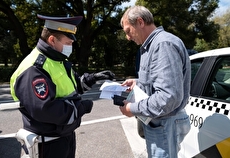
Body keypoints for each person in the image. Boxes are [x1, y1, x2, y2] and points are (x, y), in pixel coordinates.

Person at [10, 14, 114, 158]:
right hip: (47, 145)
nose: (70, 47)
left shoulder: (57, 60)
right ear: (52, 40)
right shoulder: (34, 69)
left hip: (64, 138)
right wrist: (80, 108)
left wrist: (93, 78)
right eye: (68, 43)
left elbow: (73, 86)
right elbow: (45, 109)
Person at [119, 6, 191, 158]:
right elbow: (160, 81)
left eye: (128, 31)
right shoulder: (150, 46)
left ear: (140, 22)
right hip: (161, 123)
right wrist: (138, 82)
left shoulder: (162, 45)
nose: (128, 37)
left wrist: (132, 108)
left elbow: (167, 97)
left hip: (165, 123)